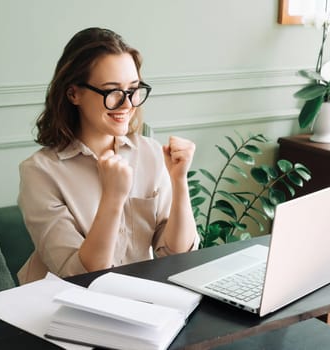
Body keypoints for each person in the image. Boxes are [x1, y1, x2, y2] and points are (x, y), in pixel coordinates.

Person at [17, 27, 199, 284]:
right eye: (112, 91)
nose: (127, 104)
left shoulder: (149, 153)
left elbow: (176, 253)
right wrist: (113, 197)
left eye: (133, 89)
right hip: (60, 308)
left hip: (136, 301)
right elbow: (82, 275)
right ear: (73, 94)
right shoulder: (39, 172)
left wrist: (179, 182)